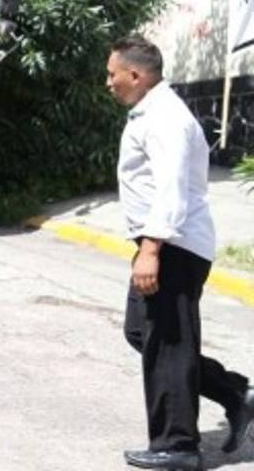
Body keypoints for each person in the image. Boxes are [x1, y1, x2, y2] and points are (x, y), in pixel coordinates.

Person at [106, 35, 254, 470]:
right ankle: (235, 394)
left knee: (167, 342)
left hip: (172, 245)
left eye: (112, 73)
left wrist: (151, 249)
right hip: (166, 243)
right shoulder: (153, 111)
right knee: (144, 333)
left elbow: (171, 189)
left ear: (135, 75)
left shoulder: (166, 117)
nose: (109, 82)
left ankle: (178, 446)